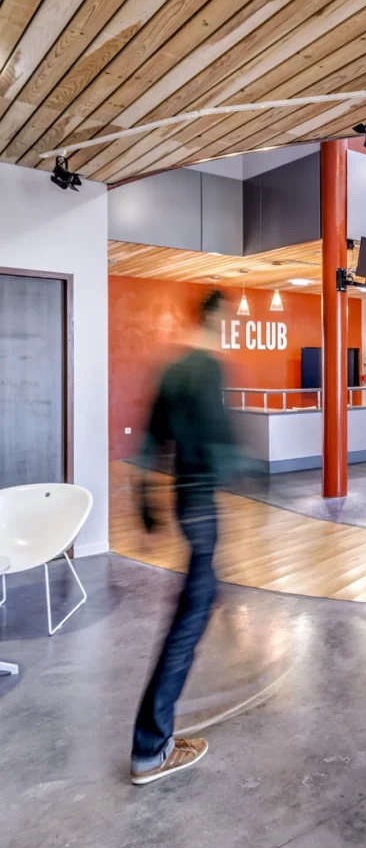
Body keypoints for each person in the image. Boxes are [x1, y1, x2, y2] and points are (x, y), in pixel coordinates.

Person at [130, 290, 238, 785]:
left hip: (180, 502)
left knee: (200, 599)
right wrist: (245, 467)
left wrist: (147, 509)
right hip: (200, 505)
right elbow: (218, 440)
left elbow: (151, 441)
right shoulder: (208, 368)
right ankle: (151, 747)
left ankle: (157, 738)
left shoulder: (173, 369)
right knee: (187, 623)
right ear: (217, 317)